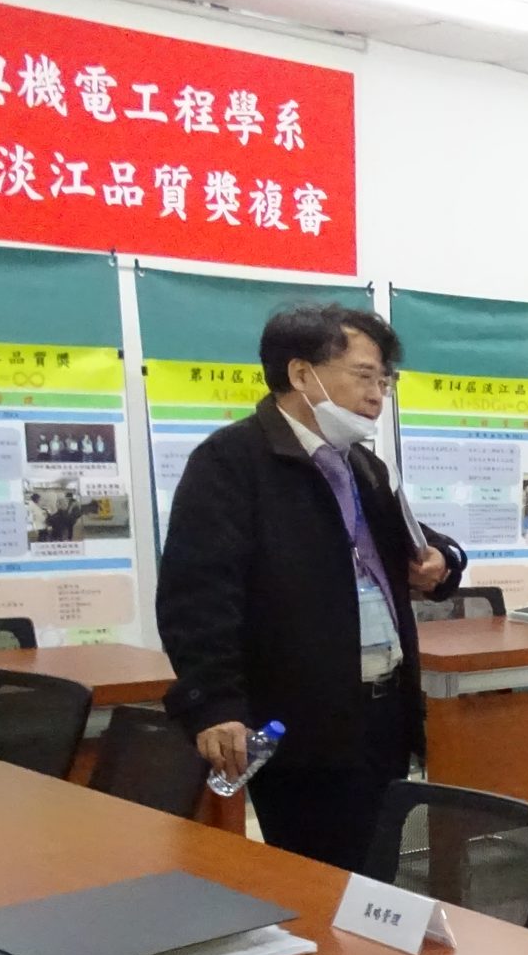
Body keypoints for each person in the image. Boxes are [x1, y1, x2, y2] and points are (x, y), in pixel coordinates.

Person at [159, 304, 467, 873]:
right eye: (364, 375)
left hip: (383, 711)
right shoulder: (231, 463)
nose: (377, 395)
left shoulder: (362, 467)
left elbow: (414, 541)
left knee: (375, 878)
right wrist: (217, 705)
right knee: (320, 879)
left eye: (385, 381)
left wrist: (442, 560)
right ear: (301, 373)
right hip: (301, 724)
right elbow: (197, 598)